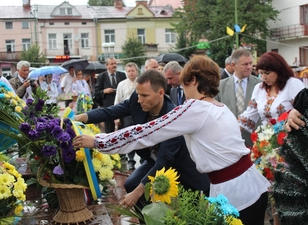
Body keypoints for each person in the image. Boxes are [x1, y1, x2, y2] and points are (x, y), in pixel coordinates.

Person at [73, 55, 270, 225]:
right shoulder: (219, 106)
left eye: (184, 85)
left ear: (193, 80)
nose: (183, 92)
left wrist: (99, 142)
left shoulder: (195, 108)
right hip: (250, 185)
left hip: (235, 193)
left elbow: (146, 132)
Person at [74, 69, 210, 213]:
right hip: (153, 159)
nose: (139, 100)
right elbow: (112, 111)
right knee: (132, 184)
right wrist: (81, 117)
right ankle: (146, 220)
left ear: (161, 93)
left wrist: (138, 192)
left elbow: (164, 161)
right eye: (138, 94)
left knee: (190, 212)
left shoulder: (173, 117)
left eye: (144, 95)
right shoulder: (137, 100)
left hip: (180, 167)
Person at [238, 51, 305, 132]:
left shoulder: (293, 84)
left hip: (291, 138)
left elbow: (304, 109)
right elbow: (249, 115)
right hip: (266, 141)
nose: (264, 77)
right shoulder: (259, 88)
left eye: (267, 73)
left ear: (279, 70)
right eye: (261, 73)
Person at [215, 48, 261, 147]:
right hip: (230, 142)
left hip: (256, 142)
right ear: (233, 65)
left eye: (250, 63)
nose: (249, 67)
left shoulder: (260, 85)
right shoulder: (221, 86)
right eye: (245, 64)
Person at [114, 62, 139, 170]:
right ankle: (131, 160)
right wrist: (116, 116)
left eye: (132, 71)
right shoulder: (122, 84)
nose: (130, 73)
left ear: (136, 71)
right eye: (128, 71)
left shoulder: (141, 82)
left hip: (140, 111)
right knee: (129, 136)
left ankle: (144, 160)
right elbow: (118, 101)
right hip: (127, 113)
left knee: (141, 134)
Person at [94, 57, 126, 133]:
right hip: (108, 108)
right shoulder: (101, 77)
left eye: (115, 63)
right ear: (107, 66)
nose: (114, 65)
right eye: (112, 64)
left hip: (120, 106)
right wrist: (105, 91)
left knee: (122, 130)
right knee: (109, 131)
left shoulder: (122, 75)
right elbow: (96, 93)